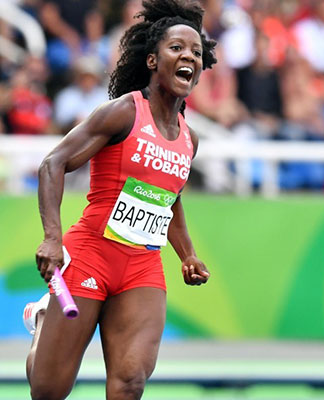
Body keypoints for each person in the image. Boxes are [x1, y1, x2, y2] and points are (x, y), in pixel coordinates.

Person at [22, 0, 215, 398]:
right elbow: (53, 164)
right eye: (176, 48)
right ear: (151, 60)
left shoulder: (188, 138)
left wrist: (188, 254)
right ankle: (44, 320)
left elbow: (169, 199)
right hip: (91, 253)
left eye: (196, 52)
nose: (189, 57)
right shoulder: (123, 113)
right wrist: (52, 238)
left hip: (142, 266)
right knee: (48, 390)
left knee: (130, 382)